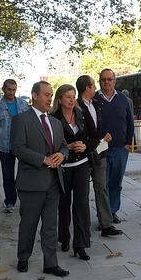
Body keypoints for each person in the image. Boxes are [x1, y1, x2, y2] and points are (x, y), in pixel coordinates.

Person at [11, 81, 69, 277]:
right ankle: (23, 258)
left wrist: (62, 155)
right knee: (28, 224)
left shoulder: (55, 122)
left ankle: (50, 263)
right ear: (35, 95)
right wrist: (42, 160)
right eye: (46, 94)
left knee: (51, 225)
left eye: (51, 95)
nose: (49, 98)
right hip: (31, 183)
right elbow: (18, 148)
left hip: (54, 181)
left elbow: (63, 146)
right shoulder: (21, 120)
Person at [76, 75, 123, 237]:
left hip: (100, 152)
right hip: (84, 154)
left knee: (101, 187)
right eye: (93, 85)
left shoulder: (96, 103)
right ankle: (82, 226)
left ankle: (106, 224)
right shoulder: (76, 105)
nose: (96, 88)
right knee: (81, 192)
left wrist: (105, 135)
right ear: (87, 88)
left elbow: (98, 126)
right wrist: (97, 140)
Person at [50, 84, 92, 260]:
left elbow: (93, 137)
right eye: (68, 96)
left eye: (73, 96)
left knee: (81, 204)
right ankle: (64, 238)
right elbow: (49, 144)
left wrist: (85, 146)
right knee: (64, 204)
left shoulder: (82, 114)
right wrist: (67, 147)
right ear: (59, 99)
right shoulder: (53, 118)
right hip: (63, 167)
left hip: (82, 164)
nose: (72, 99)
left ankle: (80, 244)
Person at [95, 69, 135, 224]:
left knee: (116, 183)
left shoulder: (123, 100)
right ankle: (103, 217)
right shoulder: (94, 100)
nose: (107, 82)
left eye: (109, 79)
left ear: (114, 81)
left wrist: (127, 143)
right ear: (99, 81)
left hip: (120, 149)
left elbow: (130, 122)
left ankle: (112, 211)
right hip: (101, 149)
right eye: (103, 79)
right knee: (102, 184)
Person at [0, 79, 29, 213]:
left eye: (14, 90)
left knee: (25, 174)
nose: (11, 92)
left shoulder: (23, 104)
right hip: (5, 147)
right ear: (3, 89)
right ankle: (10, 201)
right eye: (9, 90)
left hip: (22, 145)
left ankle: (26, 200)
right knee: (7, 175)